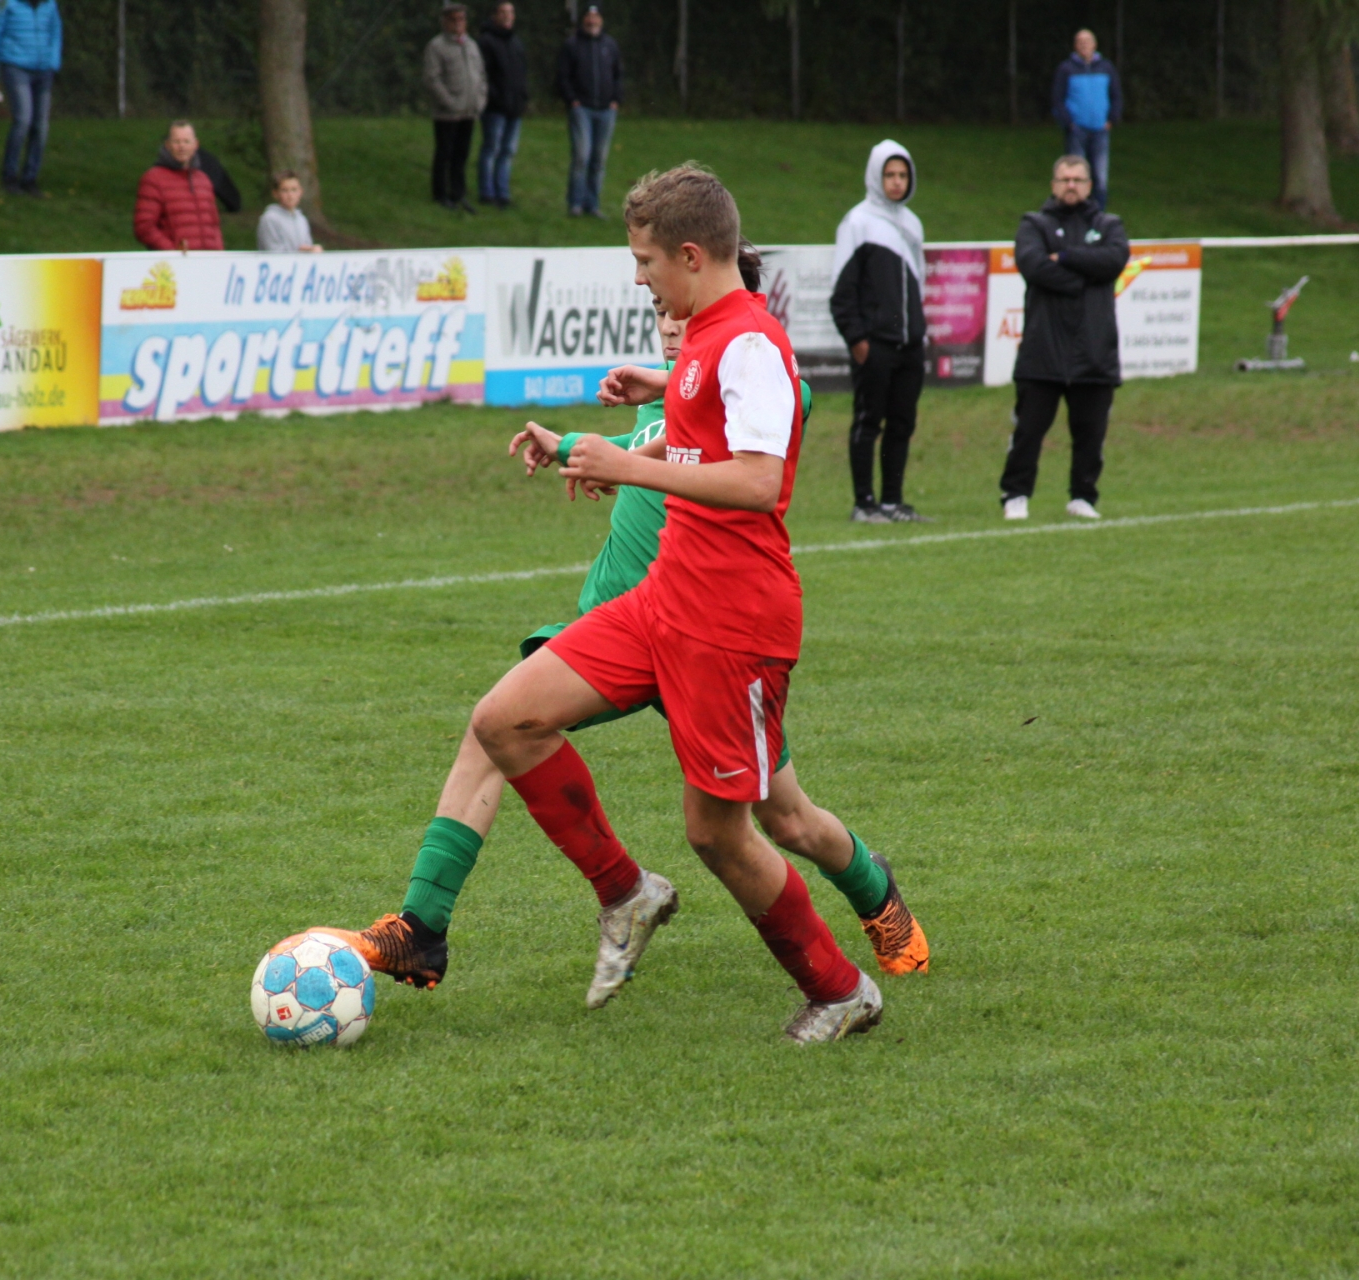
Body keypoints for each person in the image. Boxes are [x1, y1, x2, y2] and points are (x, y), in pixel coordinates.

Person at [336, 255, 928, 1002]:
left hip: (713, 642)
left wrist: (659, 403)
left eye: (682, 312)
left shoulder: (754, 382)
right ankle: (423, 926)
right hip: (624, 629)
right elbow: (640, 446)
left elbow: (770, 406)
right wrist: (574, 446)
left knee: (788, 820)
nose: (672, 326)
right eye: (660, 317)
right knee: (496, 726)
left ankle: (876, 897)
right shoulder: (669, 408)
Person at [472, 166, 883, 1043]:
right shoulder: (702, 335)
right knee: (505, 720)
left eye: (646, 261)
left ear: (691, 256)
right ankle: (626, 891)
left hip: (733, 623)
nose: (639, 279)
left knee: (720, 834)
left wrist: (628, 465)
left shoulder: (750, 343)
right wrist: (596, 442)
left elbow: (758, 480)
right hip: (663, 599)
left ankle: (840, 988)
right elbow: (698, 441)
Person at [999, 155, 1129, 521]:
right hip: (1043, 349)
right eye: (1064, 179)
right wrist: (1084, 280)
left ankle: (1083, 497)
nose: (1071, 185)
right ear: (1053, 185)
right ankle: (1016, 494)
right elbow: (1033, 264)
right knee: (1028, 430)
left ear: (1090, 185)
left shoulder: (1109, 225)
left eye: (1078, 180)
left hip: (1094, 350)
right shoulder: (1034, 224)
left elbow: (1114, 260)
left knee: (1090, 432)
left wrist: (1067, 257)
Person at [830, 139, 930, 525]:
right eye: (889, 174)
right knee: (868, 422)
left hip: (910, 346)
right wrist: (859, 341)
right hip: (875, 347)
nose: (897, 181)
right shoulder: (857, 222)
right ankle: (864, 503)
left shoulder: (913, 224)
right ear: (876, 176)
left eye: (903, 174)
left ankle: (892, 501)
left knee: (902, 424)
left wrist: (919, 334)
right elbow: (842, 293)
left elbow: (918, 284)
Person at [0, 0, 61, 197]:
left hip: (44, 71)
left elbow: (56, 31)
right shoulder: (3, 3)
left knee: (41, 126)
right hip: (15, 67)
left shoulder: (49, 3)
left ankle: (30, 178)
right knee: (23, 120)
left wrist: (53, 62)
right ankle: (9, 176)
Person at [133, 119, 240, 252]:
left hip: (208, 261)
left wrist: (219, 255)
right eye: (176, 141)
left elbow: (214, 226)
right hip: (173, 263)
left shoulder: (204, 180)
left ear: (196, 145)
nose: (181, 146)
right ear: (167, 145)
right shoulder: (153, 179)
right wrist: (174, 253)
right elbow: (144, 227)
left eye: (186, 141)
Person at [556, 3, 620, 217]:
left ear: (601, 20)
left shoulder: (609, 45)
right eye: (589, 17)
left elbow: (618, 74)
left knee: (599, 159)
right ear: (583, 19)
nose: (592, 21)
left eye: (596, 17)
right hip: (581, 108)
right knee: (582, 156)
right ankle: (575, 203)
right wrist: (572, 100)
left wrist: (616, 99)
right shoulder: (572, 45)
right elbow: (563, 75)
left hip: (606, 110)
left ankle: (592, 204)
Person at [423, 2, 486, 213]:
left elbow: (481, 75)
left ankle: (458, 193)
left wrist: (480, 100)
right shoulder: (437, 46)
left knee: (462, 154)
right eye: (453, 20)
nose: (458, 24)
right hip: (448, 113)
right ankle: (440, 194)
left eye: (461, 19)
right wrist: (449, 102)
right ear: (445, 22)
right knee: (445, 153)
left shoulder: (471, 45)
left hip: (469, 110)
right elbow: (432, 79)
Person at [1051, 29, 1120, 211]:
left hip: (1100, 130)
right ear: (1075, 46)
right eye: (1080, 42)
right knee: (1075, 176)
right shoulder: (1066, 69)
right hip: (1077, 130)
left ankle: (1098, 216)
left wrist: (1111, 120)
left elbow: (1116, 95)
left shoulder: (1106, 67)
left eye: (1087, 41)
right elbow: (1057, 99)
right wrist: (1069, 123)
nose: (1084, 45)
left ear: (1094, 44)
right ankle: (1076, 215)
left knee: (1100, 177)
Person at [475, 1, 525, 210]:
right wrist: (494, 98)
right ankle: (487, 192)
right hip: (495, 108)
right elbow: (483, 74)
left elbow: (521, 74)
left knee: (508, 151)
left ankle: (502, 193)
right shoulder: (486, 41)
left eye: (510, 12)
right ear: (494, 15)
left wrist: (522, 98)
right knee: (491, 148)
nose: (507, 16)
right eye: (503, 12)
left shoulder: (515, 42)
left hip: (514, 107)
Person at [256, 170, 320, 253]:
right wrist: (299, 252)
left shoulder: (301, 219)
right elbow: (272, 251)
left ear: (300, 192)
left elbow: (307, 245)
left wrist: (311, 250)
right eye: (285, 190)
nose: (290, 195)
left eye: (294, 190)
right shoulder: (270, 219)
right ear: (275, 193)